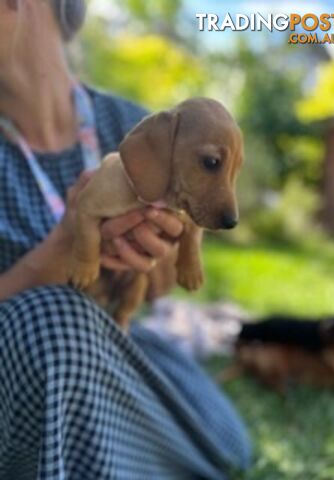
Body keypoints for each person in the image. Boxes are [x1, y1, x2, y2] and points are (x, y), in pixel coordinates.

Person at [0, 1, 251, 479]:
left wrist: (155, 267)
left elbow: (160, 285)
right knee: (51, 328)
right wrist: (52, 260)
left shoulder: (141, 127)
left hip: (116, 342)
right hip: (18, 377)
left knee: (228, 443)